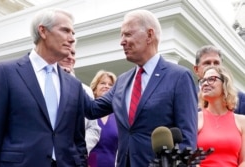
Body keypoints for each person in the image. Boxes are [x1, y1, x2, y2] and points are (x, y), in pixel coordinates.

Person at [84, 9, 198, 167]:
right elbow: (91, 109)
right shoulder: (122, 81)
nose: (122, 41)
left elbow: (187, 139)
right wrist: (61, 74)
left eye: (128, 34)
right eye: (121, 35)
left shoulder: (179, 77)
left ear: (150, 35)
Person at [0, 8, 87, 167]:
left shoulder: (74, 85)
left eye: (73, 32)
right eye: (65, 30)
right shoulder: (5, 72)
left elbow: (78, 139)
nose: (72, 39)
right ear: (43, 31)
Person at [197, 65, 245, 166]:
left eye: (211, 79)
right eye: (203, 81)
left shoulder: (242, 122)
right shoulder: (195, 119)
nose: (205, 83)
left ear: (225, 84)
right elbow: (190, 160)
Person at [58, 47, 101, 154]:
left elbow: (93, 128)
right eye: (65, 53)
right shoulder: (44, 85)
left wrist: (78, 151)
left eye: (73, 54)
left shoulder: (85, 90)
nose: (70, 57)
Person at [193, 45, 245, 114]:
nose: (212, 66)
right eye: (207, 63)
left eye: (216, 63)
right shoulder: (188, 96)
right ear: (196, 70)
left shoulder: (240, 99)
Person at [88, 70, 118, 167]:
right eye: (102, 83)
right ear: (94, 89)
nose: (107, 86)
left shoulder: (118, 116)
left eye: (110, 85)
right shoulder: (87, 112)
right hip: (89, 163)